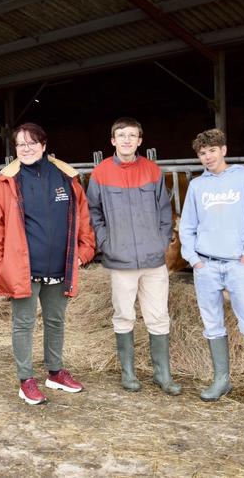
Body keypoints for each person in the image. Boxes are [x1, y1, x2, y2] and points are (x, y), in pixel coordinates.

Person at [0, 123, 96, 405]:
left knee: (55, 321)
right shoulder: (5, 182)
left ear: (44, 145)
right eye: (20, 145)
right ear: (15, 150)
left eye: (32, 143)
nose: (27, 148)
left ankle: (55, 373)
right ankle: (26, 380)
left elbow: (83, 219)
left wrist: (84, 251)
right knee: (24, 323)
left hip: (60, 266)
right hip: (22, 268)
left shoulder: (65, 178)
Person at [179, 128, 244, 410]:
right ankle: (222, 380)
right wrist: (193, 259)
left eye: (212, 151)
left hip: (236, 263)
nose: (207, 157)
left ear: (224, 150)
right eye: (202, 153)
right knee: (212, 323)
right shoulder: (197, 186)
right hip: (206, 264)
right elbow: (187, 227)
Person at [86, 117, 181, 395]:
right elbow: (94, 213)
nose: (127, 140)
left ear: (140, 141)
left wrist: (162, 240)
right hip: (120, 258)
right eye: (121, 135)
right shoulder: (101, 173)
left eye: (132, 136)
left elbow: (164, 209)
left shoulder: (152, 170)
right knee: (124, 314)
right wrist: (106, 242)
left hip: (153, 259)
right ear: (112, 141)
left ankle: (162, 375)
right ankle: (129, 373)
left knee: (158, 315)